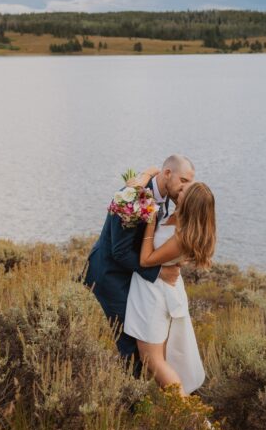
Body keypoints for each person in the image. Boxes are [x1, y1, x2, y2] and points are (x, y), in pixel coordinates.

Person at [83, 155, 196, 377]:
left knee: (143, 341)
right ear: (167, 174)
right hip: (111, 275)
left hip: (132, 277)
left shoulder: (162, 195)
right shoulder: (133, 197)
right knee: (130, 345)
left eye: (190, 182)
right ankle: (131, 402)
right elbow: (120, 251)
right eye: (183, 181)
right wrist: (159, 271)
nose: (187, 187)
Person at [124, 179, 215, 395]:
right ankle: (184, 414)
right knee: (158, 358)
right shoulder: (179, 220)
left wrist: (150, 223)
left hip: (153, 297)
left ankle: (190, 417)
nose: (179, 189)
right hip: (153, 290)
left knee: (153, 360)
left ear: (190, 203)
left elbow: (146, 260)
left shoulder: (182, 237)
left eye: (184, 190)